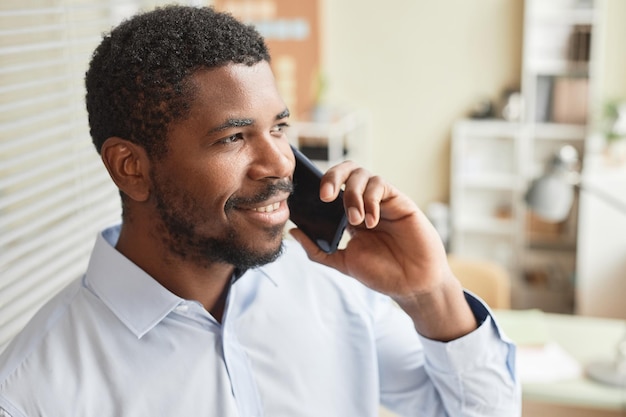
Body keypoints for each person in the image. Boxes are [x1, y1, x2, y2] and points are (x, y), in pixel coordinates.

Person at [0, 5, 520, 416]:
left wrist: (430, 295)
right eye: (233, 137)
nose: (281, 164)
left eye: (279, 128)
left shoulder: (332, 286)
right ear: (130, 167)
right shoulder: (31, 392)